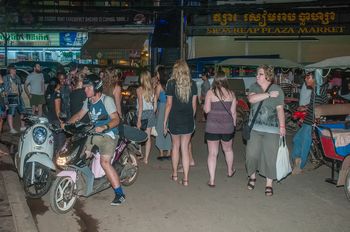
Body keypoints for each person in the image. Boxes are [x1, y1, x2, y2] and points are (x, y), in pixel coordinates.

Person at [66, 74, 125, 206]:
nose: (85, 90)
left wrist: (105, 126)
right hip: (92, 134)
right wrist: (66, 124)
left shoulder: (106, 100)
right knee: (77, 155)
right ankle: (79, 184)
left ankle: (120, 193)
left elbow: (116, 119)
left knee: (105, 162)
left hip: (109, 135)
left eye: (88, 87)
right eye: (85, 87)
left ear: (96, 87)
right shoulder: (88, 101)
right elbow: (80, 114)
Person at [245, 65, 285, 196]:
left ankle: (269, 183)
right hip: (254, 129)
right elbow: (251, 99)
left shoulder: (277, 89)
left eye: (260, 74)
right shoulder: (254, 87)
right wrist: (268, 95)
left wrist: (282, 126)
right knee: (251, 154)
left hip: (272, 129)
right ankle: (252, 176)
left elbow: (280, 109)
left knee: (270, 156)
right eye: (257, 74)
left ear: (268, 76)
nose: (257, 76)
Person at [164, 60, 198, 187]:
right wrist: (191, 118)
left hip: (174, 120)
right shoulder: (193, 84)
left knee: (175, 147)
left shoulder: (170, 84)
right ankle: (186, 179)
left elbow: (168, 105)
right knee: (185, 149)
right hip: (188, 120)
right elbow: (194, 106)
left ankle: (174, 175)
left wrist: (164, 122)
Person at [291, 70, 328, 174]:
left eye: (308, 78)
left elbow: (317, 107)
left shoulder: (318, 90)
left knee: (304, 142)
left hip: (312, 121)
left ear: (315, 79)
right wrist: (305, 108)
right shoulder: (316, 89)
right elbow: (315, 105)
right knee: (297, 139)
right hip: (309, 119)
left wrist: (305, 110)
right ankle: (297, 161)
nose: (306, 80)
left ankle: (300, 165)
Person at [204, 71, 237, 187]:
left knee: (212, 153)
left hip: (212, 127)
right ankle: (229, 171)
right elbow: (233, 112)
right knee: (228, 150)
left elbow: (206, 110)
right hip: (227, 127)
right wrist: (234, 125)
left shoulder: (210, 92)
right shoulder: (231, 93)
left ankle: (212, 180)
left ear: (215, 80)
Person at [136, 70, 156, 164]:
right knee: (148, 137)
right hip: (151, 113)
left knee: (139, 135)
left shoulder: (139, 90)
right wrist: (152, 112)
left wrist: (139, 120)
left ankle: (140, 153)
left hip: (143, 113)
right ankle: (146, 159)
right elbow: (155, 106)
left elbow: (140, 106)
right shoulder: (152, 89)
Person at [154, 65, 172, 160]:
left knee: (160, 128)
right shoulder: (170, 83)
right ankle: (169, 152)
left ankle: (161, 153)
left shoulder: (159, 85)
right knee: (169, 128)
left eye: (157, 73)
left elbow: (155, 99)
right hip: (170, 107)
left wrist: (154, 111)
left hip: (162, 107)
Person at [3, 65, 26, 134]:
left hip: (18, 97)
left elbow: (20, 88)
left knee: (23, 111)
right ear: (9, 70)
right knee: (11, 113)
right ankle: (11, 128)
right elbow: (5, 90)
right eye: (13, 69)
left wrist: (20, 91)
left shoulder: (17, 77)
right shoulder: (6, 77)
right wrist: (6, 101)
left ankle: (22, 126)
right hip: (11, 97)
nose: (15, 70)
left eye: (15, 69)